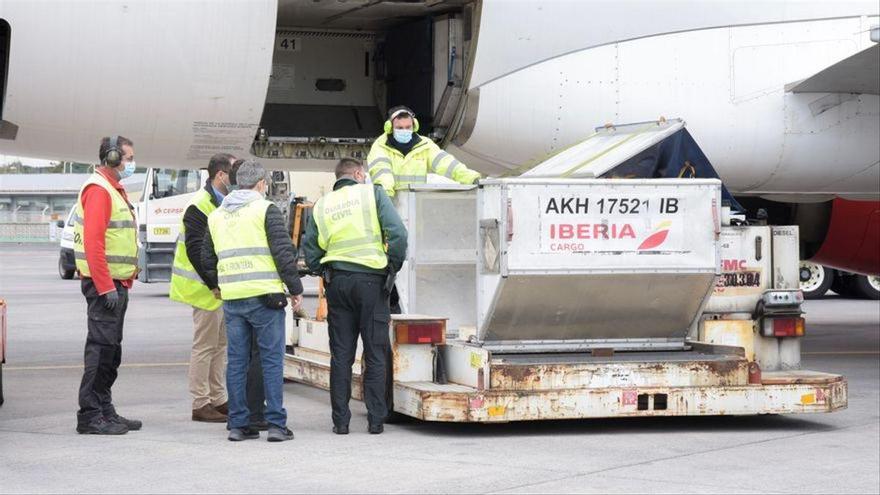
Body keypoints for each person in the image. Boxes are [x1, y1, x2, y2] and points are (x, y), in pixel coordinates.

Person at [302, 158, 407, 435]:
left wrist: (321, 269)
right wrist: (391, 266)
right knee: (374, 353)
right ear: (359, 174)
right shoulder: (372, 193)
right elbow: (397, 233)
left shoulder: (323, 204)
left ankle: (341, 422)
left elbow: (310, 247)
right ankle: (375, 420)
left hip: (337, 283)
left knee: (341, 355)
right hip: (372, 282)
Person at [202, 160, 303, 442]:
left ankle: (238, 424)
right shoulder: (265, 209)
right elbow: (284, 253)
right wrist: (295, 289)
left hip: (233, 299)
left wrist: (219, 285)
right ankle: (275, 425)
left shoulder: (218, 215)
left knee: (236, 362)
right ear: (261, 183)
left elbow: (206, 257)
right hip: (265, 298)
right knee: (271, 361)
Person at [73, 135, 141, 435]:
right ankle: (90, 415)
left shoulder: (114, 189)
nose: (130, 164)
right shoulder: (100, 190)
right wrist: (105, 287)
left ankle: (104, 408)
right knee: (101, 351)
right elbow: (93, 243)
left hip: (117, 283)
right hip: (106, 287)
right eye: (127, 158)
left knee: (111, 352)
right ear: (111, 158)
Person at [169, 153, 235, 423]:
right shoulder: (199, 206)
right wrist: (214, 285)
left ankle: (218, 398)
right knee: (205, 347)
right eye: (233, 172)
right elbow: (197, 252)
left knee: (220, 347)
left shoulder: (222, 204)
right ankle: (200, 403)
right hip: (204, 289)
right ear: (220, 175)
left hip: (220, 289)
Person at [366, 105, 481, 198]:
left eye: (408, 127)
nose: (404, 131)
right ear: (390, 128)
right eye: (400, 128)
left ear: (414, 126)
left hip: (417, 205)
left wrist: (472, 178)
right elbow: (381, 172)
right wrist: (386, 198)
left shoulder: (425, 145)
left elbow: (447, 164)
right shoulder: (380, 146)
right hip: (392, 203)